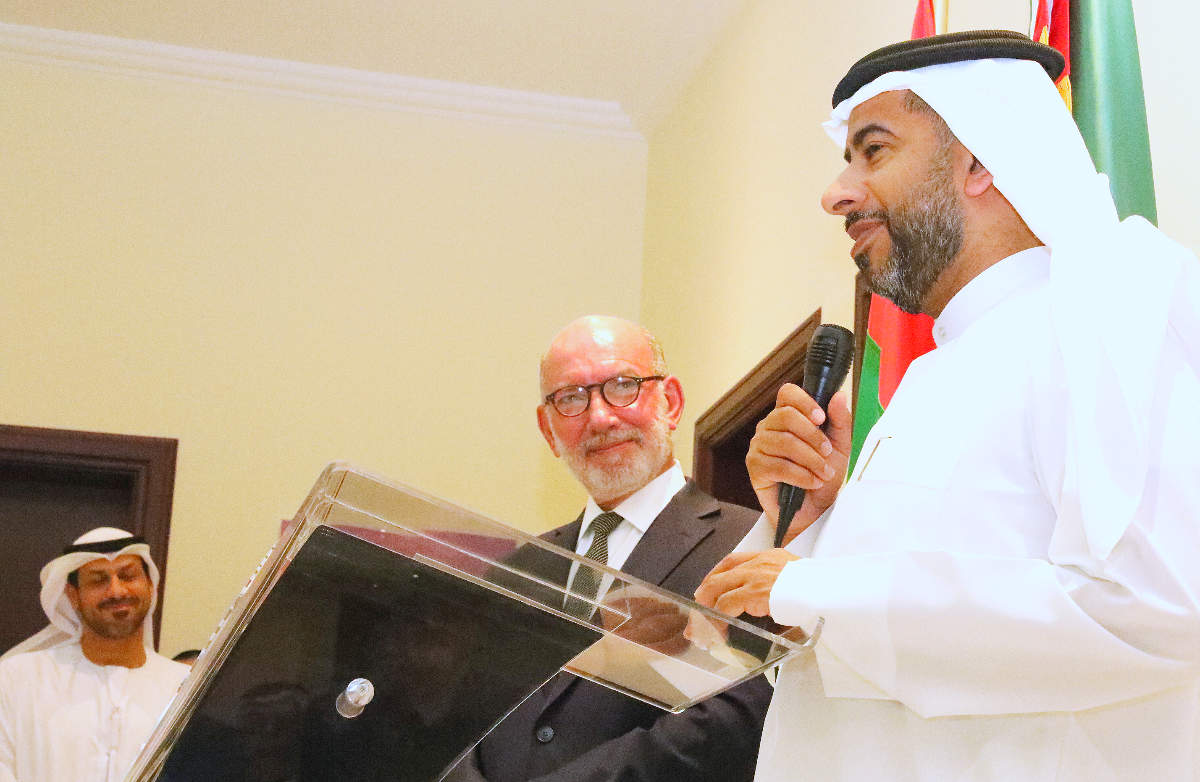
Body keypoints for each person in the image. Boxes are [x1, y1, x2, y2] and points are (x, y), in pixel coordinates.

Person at [695, 30, 1200, 781]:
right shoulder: (937, 371)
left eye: (873, 150)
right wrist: (808, 530)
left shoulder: (1108, 312)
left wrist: (811, 588)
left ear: (979, 160)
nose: (836, 194)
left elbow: (1156, 609)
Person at [449, 315, 771, 782]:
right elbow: (462, 722)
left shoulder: (748, 544)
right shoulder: (517, 570)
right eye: (571, 398)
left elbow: (735, 717)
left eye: (623, 386)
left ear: (671, 402)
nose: (600, 417)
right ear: (548, 429)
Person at [0, 527, 190, 782]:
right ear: (73, 595)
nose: (116, 591)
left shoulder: (184, 687)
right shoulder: (17, 679)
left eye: (128, 576)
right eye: (99, 580)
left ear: (150, 585)